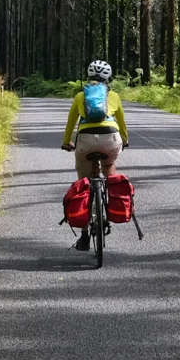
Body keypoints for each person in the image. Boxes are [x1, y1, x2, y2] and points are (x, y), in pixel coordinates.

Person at [62, 60, 128, 250]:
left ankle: (84, 236)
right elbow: (121, 122)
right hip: (110, 139)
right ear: (109, 78)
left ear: (89, 76)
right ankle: (111, 201)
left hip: (85, 141)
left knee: (84, 184)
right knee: (109, 168)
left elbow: (71, 123)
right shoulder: (113, 96)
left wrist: (67, 142)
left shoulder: (80, 96)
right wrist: (124, 139)